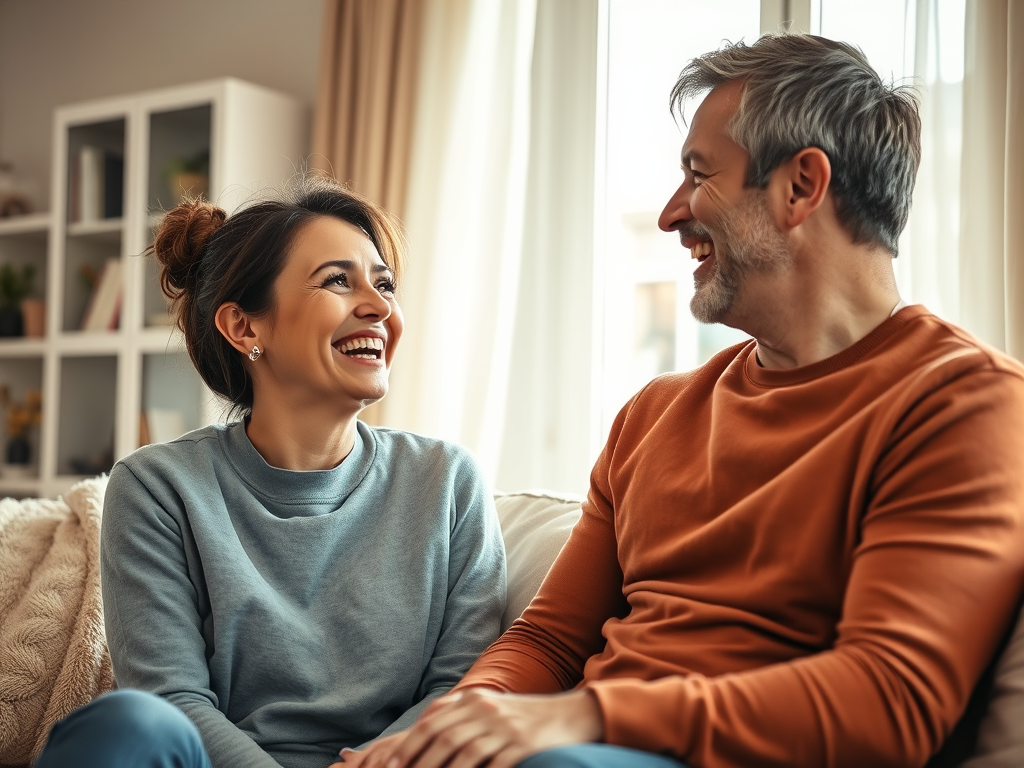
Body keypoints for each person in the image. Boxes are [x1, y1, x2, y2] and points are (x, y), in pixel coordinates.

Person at [346, 32, 1024, 768]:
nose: (671, 214)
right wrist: (454, 729)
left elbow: (889, 699)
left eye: (699, 175)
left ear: (801, 186)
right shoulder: (654, 414)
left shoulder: (964, 403)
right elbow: (547, 640)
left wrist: (588, 717)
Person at [34, 178, 507, 768]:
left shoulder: (448, 483)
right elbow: (173, 698)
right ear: (245, 328)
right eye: (339, 280)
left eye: (384, 284)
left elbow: (460, 691)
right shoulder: (158, 489)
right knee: (125, 723)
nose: (380, 306)